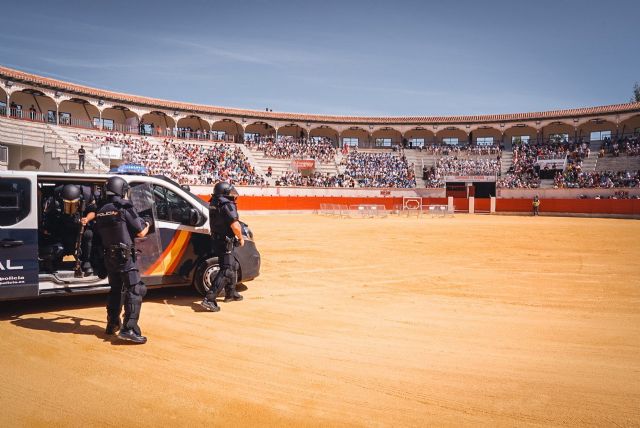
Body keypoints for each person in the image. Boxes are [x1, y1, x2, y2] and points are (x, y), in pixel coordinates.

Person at [94, 176, 150, 343]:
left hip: (109, 257)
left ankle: (112, 324)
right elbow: (140, 232)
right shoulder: (124, 207)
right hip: (125, 257)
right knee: (136, 289)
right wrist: (147, 223)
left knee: (116, 290)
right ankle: (129, 328)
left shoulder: (101, 210)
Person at [200, 181, 245, 312]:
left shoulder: (214, 202)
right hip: (225, 241)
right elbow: (235, 225)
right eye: (230, 192)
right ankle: (209, 299)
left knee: (232, 265)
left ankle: (230, 293)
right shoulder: (227, 204)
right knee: (227, 270)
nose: (233, 194)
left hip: (218, 239)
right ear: (224, 193)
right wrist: (241, 238)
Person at [42, 183, 97, 276]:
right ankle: (54, 261)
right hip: (62, 224)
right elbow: (49, 216)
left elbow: (93, 211)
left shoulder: (87, 195)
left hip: (80, 224)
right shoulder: (55, 197)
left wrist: (86, 219)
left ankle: (86, 262)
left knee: (88, 234)